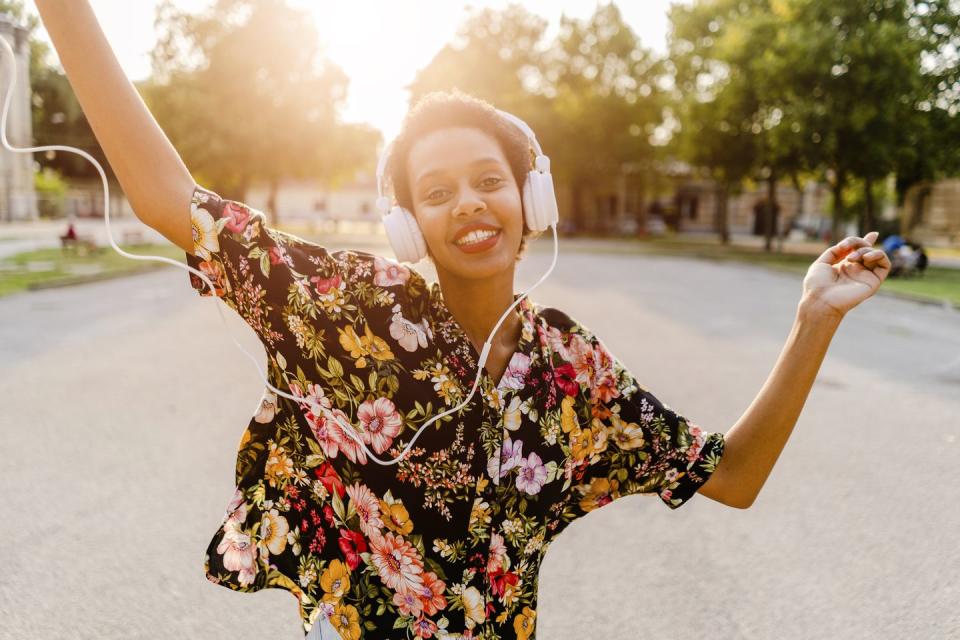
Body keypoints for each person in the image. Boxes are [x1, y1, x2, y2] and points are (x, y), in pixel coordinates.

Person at [37, 2, 892, 638]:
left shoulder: (570, 372)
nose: (470, 206)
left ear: (530, 198)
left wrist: (813, 319)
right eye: (435, 193)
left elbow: (731, 477)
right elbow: (171, 201)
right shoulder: (352, 309)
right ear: (408, 224)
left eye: (488, 180)